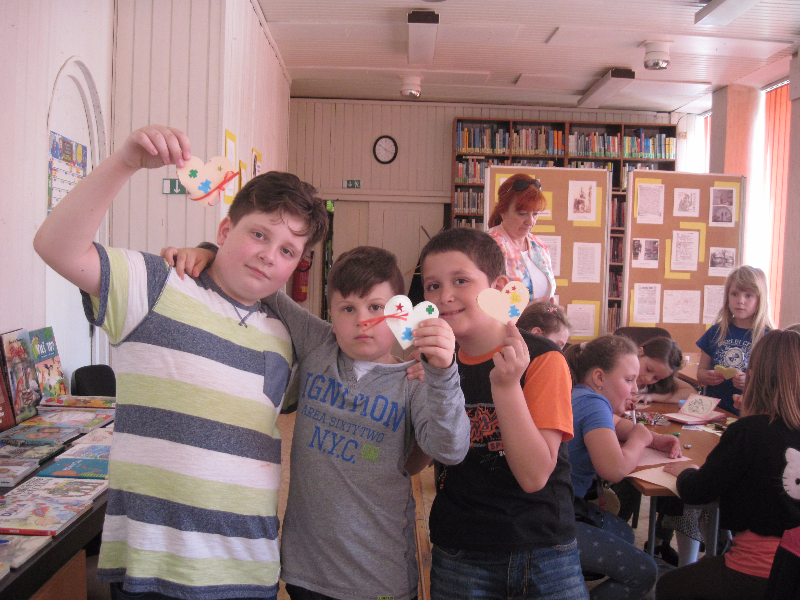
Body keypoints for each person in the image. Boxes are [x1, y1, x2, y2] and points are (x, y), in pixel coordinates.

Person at [33, 124, 330, 600]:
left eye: (288, 251)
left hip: (247, 569)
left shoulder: (285, 334)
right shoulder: (156, 285)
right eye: (258, 234)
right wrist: (125, 162)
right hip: (154, 566)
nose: (268, 256)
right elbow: (56, 246)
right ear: (225, 230)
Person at [164, 244, 471, 600]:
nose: (362, 321)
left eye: (376, 307)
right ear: (330, 313)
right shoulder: (318, 343)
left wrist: (444, 373)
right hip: (306, 573)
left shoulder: (415, 380)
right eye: (348, 309)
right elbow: (268, 290)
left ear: (399, 314)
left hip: (380, 576)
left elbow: (450, 450)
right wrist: (212, 254)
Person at [419, 227, 587, 600]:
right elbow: (419, 458)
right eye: (432, 286)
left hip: (544, 548)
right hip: (461, 550)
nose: (444, 296)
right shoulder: (433, 363)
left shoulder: (543, 359)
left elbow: (533, 476)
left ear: (496, 287)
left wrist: (507, 387)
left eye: (460, 280)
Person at [656, 329, 800, 600]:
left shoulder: (749, 431)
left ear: (756, 375)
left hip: (759, 571)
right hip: (793, 570)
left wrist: (686, 472)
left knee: (668, 586)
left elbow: (697, 492)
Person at [565, 336, 679, 600]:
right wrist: (639, 439)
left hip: (558, 505)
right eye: (629, 380)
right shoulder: (594, 403)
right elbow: (615, 470)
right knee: (644, 572)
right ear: (599, 377)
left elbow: (615, 424)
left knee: (625, 534)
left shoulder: (582, 394)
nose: (635, 389)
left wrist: (654, 438)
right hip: (549, 518)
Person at [696, 265, 773, 416]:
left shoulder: (768, 338)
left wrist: (750, 383)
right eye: (734, 294)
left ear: (760, 300)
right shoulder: (716, 331)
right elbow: (701, 372)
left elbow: (773, 383)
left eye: (748, 295)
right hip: (713, 411)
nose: (740, 301)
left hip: (748, 413)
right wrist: (706, 377)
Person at [487, 174, 556, 303]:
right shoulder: (488, 245)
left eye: (535, 214)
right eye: (522, 214)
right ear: (503, 212)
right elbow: (482, 299)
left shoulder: (539, 245)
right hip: (507, 317)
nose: (531, 222)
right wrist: (522, 311)